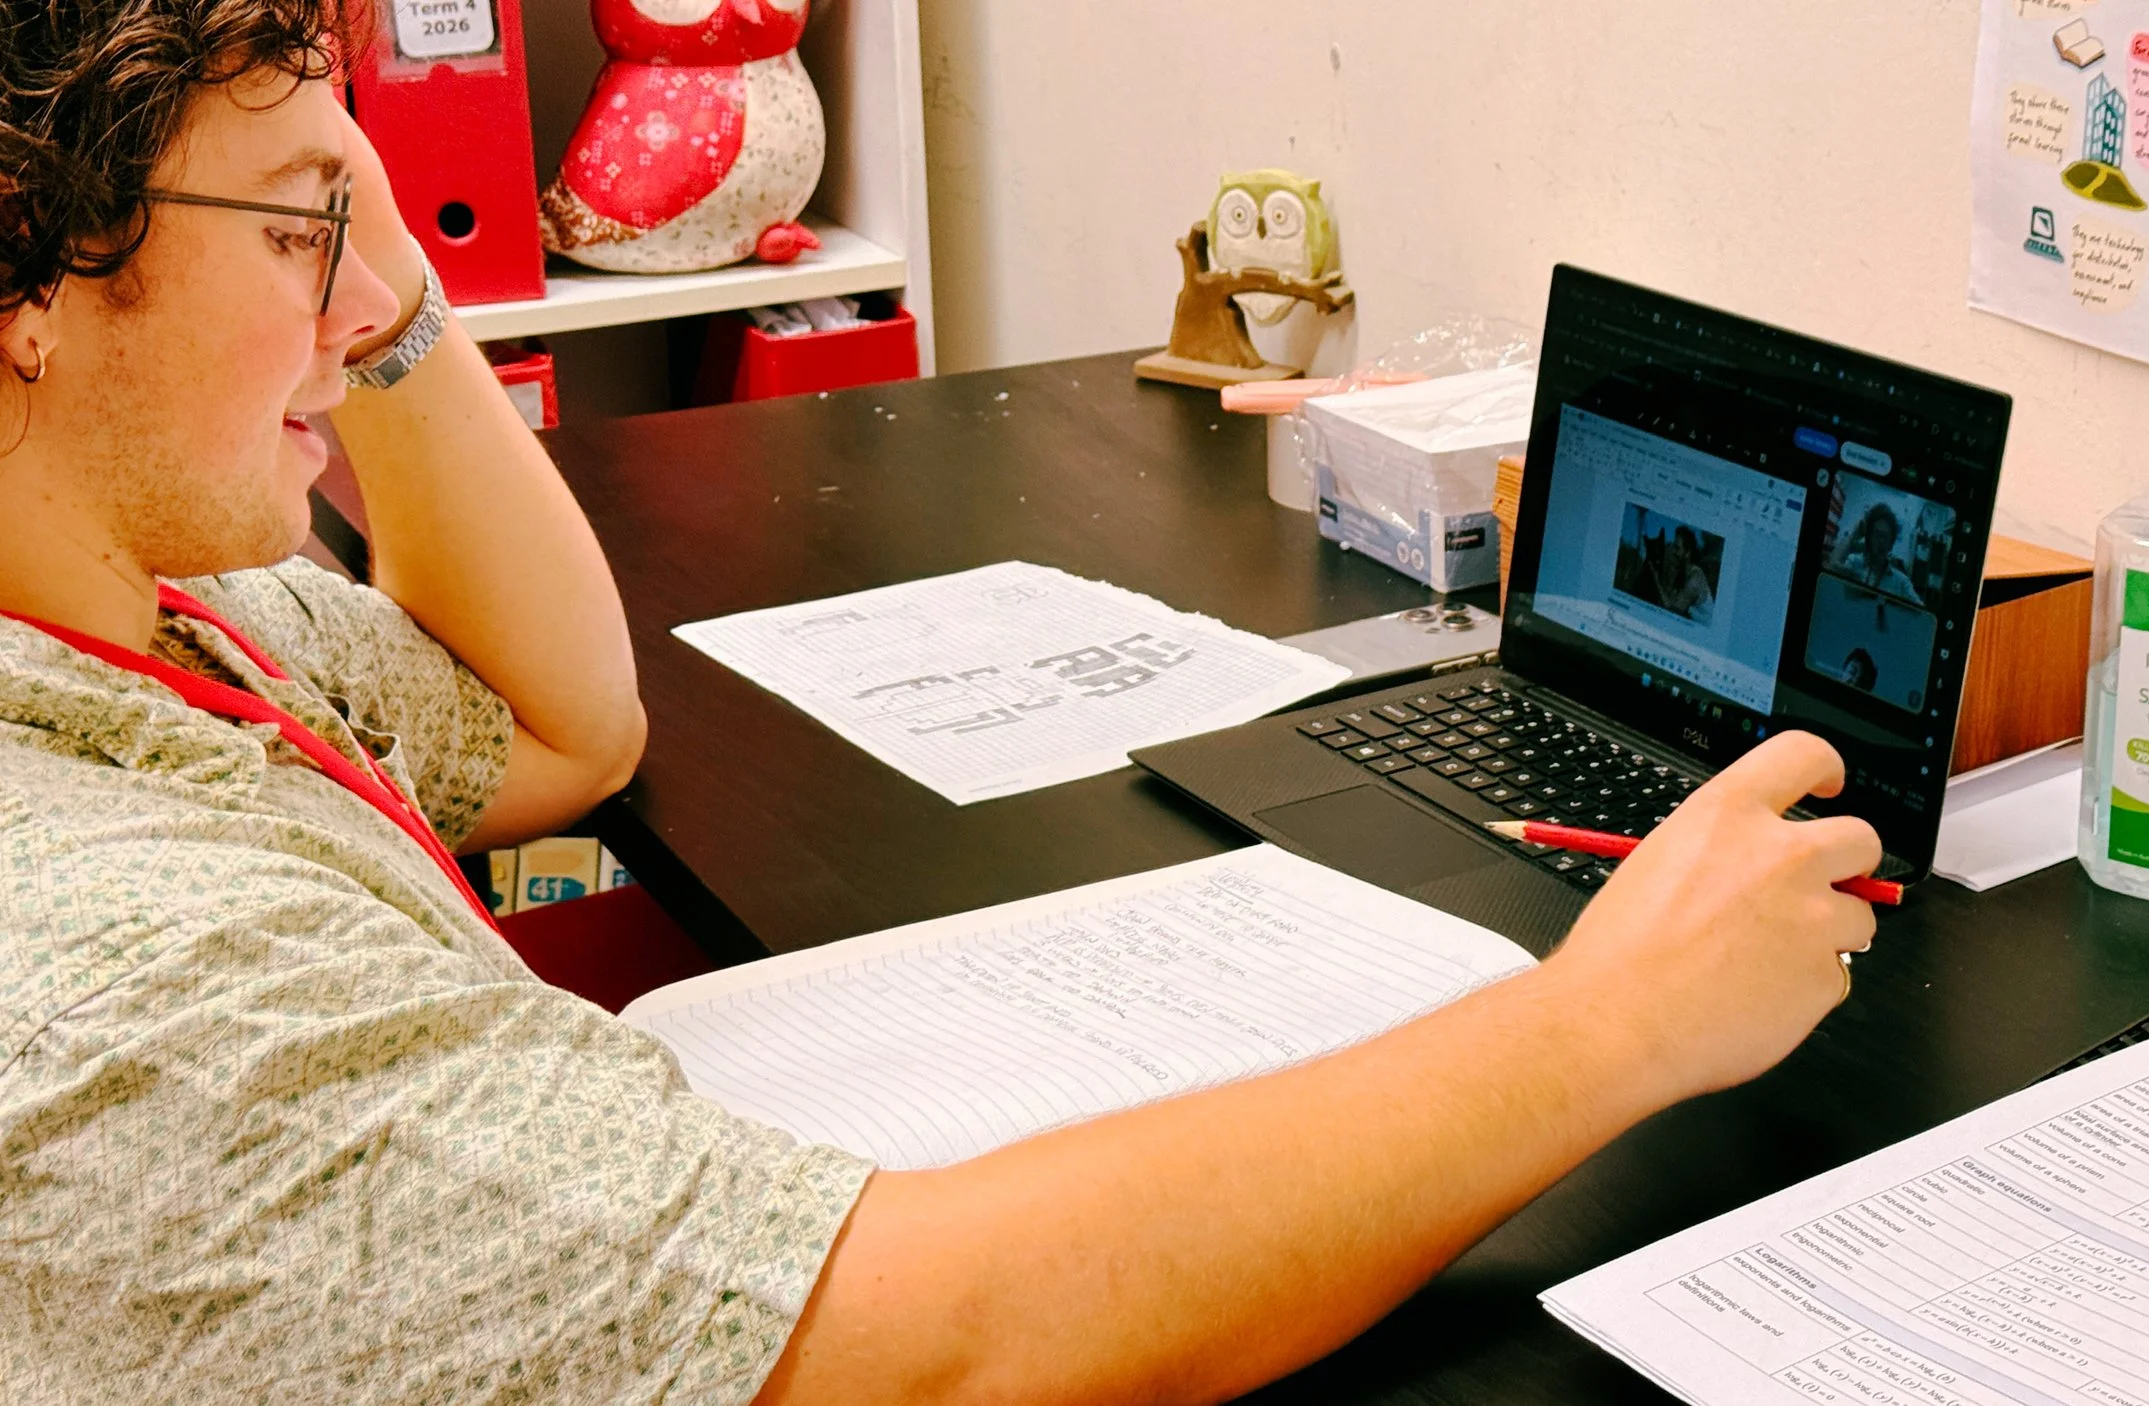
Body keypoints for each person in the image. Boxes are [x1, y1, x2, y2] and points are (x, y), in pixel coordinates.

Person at [0, 6, 1882, 1401]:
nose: (368, 304)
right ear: (29, 274)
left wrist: (369, 260)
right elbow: (931, 1341)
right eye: (297, 234)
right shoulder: (135, 981)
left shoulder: (157, 623)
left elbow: (561, 730)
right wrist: (1603, 1026)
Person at [1832, 501, 1923, 602]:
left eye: (1885, 537)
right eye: (1877, 534)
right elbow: (1832, 568)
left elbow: (1922, 614)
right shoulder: (1854, 562)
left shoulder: (1901, 582)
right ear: (1869, 537)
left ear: (1891, 543)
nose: (1881, 542)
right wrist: (1855, 533)